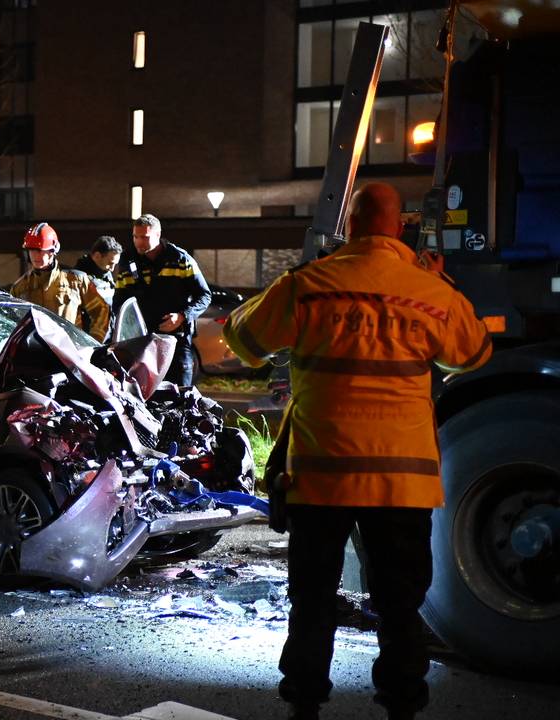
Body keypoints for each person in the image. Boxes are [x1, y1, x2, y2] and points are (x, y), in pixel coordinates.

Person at [223, 182, 491, 720]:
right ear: (401, 228)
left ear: (348, 223)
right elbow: (473, 354)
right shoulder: (430, 293)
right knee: (400, 605)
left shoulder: (310, 285)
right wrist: (439, 282)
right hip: (401, 482)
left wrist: (291, 281)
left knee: (314, 601)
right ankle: (401, 705)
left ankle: (304, 705)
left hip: (322, 478)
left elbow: (242, 338)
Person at [113, 214, 211, 386]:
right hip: (141, 343)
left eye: (145, 237)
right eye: (135, 237)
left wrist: (182, 316)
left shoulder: (180, 259)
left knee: (180, 394)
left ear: (158, 235)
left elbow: (204, 296)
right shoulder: (128, 261)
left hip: (176, 342)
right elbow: (120, 302)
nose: (138, 242)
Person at [9, 223, 110, 342]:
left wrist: (93, 343)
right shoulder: (19, 288)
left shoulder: (76, 280)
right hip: (34, 353)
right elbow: (10, 324)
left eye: (41, 251)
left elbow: (101, 310)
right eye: (32, 250)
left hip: (70, 352)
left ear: (53, 251)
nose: (35, 255)